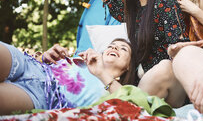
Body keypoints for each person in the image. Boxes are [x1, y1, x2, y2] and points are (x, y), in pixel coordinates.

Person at [0, 38, 136, 115]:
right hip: (29, 65)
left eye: (123, 48)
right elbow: (41, 60)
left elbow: (132, 106)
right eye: (111, 45)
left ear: (128, 66)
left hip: (39, 96)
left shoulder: (118, 91)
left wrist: (102, 73)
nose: (115, 48)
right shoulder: (81, 60)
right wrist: (43, 57)